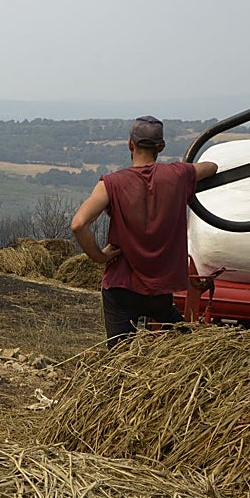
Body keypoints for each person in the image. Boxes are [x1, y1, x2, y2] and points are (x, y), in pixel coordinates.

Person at [70, 115, 218, 347]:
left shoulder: (110, 183)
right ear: (161, 147)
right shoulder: (179, 175)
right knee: (182, 348)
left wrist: (99, 257)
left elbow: (78, 224)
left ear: (130, 143)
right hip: (160, 291)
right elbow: (212, 167)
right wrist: (190, 169)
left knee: (119, 356)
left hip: (120, 287)